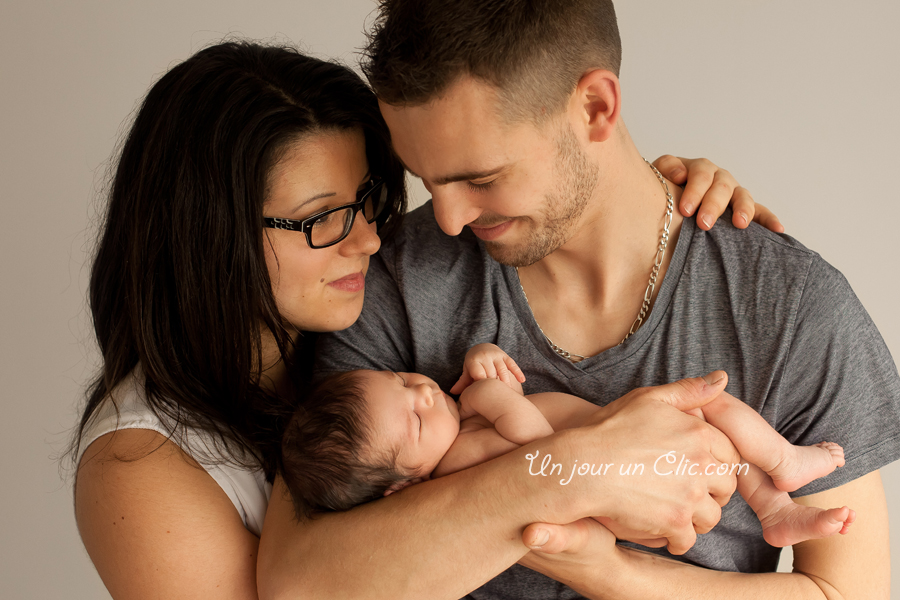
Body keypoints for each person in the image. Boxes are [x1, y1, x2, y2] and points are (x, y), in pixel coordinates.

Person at [71, 40, 768, 599]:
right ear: (206, 235)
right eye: (322, 218)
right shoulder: (138, 467)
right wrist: (580, 467)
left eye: (368, 198)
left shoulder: (357, 329)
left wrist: (653, 203)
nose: (370, 239)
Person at [300, 0, 900, 598]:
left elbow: (849, 591)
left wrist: (609, 572)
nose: (450, 219)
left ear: (595, 108)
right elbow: (301, 581)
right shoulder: (395, 281)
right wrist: (582, 471)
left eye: (480, 178)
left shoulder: (788, 305)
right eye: (428, 181)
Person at [282, 343, 854, 548]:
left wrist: (482, 354)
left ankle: (775, 509)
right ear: (404, 483)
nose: (424, 392)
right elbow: (534, 442)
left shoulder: (454, 431)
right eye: (412, 416)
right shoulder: (457, 462)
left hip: (639, 465)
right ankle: (783, 463)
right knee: (710, 408)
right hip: (634, 479)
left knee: (713, 438)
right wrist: (484, 387)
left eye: (403, 381)